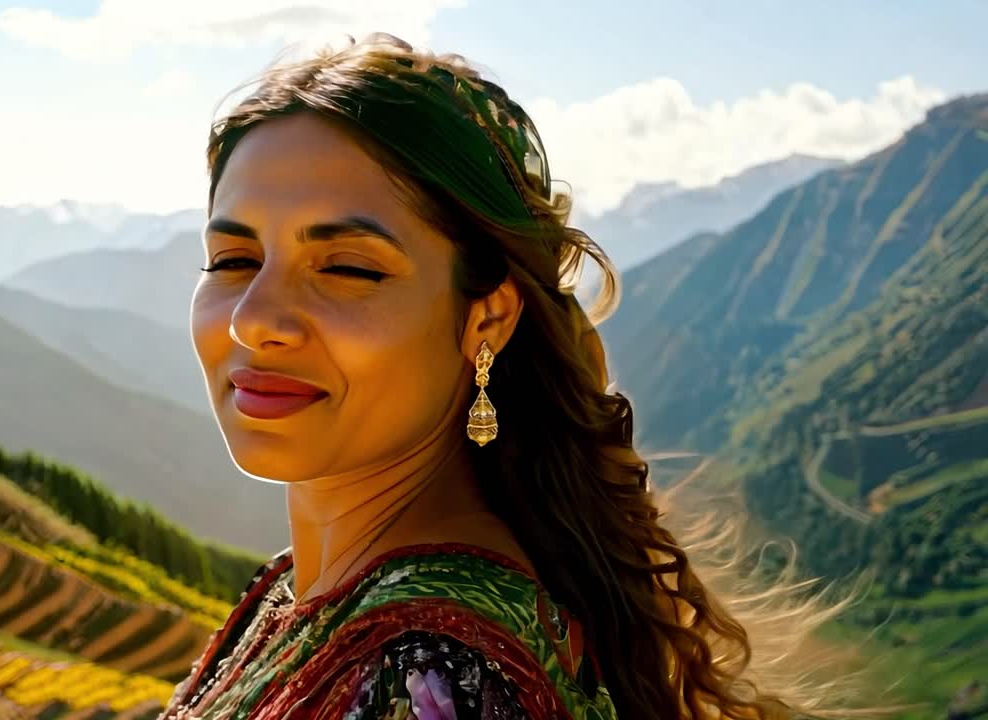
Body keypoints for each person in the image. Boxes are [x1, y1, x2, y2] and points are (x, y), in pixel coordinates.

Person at [161, 33, 864, 720]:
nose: (254, 320)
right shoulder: (299, 592)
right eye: (233, 261)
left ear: (487, 318)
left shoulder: (433, 673)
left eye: (347, 268)